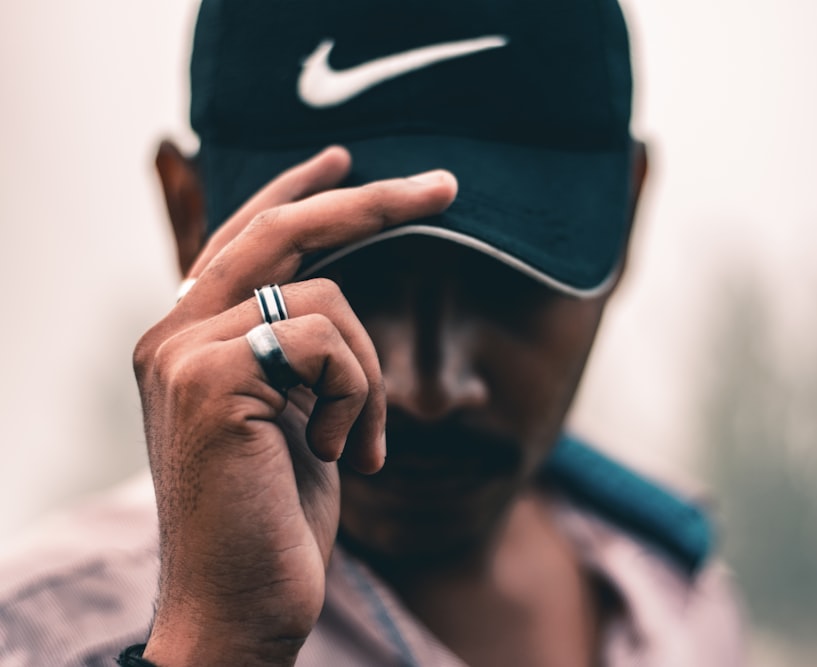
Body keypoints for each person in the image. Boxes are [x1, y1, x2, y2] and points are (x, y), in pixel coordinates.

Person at [0, 0, 743, 665]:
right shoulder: (42, 636)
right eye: (348, 283)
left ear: (629, 217)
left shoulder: (675, 592)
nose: (425, 389)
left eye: (509, 284)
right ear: (190, 218)